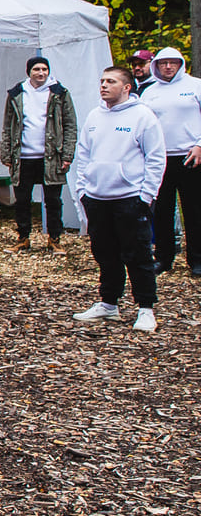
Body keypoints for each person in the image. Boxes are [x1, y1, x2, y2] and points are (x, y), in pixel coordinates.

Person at [71, 66, 164, 332]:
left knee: (138, 254)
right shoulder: (94, 116)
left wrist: (146, 195)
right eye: (101, 81)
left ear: (126, 87)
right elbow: (84, 154)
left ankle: (146, 308)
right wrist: (83, 191)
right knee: (105, 254)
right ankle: (109, 303)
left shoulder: (143, 116)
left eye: (110, 81)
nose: (103, 85)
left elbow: (155, 157)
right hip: (97, 197)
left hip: (130, 198)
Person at [1, 56, 78, 253]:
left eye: (44, 69)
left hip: (52, 156)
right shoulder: (17, 93)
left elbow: (70, 124)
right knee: (22, 200)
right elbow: (8, 124)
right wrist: (7, 154)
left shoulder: (60, 93)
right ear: (29, 72)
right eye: (37, 69)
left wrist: (68, 154)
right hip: (24, 155)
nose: (41, 73)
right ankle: (23, 238)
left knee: (53, 200)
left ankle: (54, 238)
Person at [136, 46, 201, 276]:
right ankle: (163, 258)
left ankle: (196, 259)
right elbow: (142, 124)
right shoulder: (150, 92)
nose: (168, 67)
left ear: (181, 64)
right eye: (163, 63)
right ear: (156, 66)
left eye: (173, 63)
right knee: (162, 210)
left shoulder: (195, 86)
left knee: (194, 209)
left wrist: (199, 144)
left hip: (191, 157)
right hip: (160, 158)